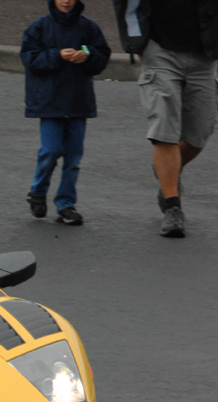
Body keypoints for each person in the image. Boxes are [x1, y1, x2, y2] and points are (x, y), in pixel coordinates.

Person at [112, 0, 218, 237]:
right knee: (164, 129)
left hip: (204, 55)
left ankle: (166, 169)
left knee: (199, 133)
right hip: (160, 52)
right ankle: (172, 207)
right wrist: (136, 42)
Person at [21, 0, 111, 226]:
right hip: (50, 102)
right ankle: (38, 191)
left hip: (78, 102)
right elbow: (30, 58)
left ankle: (66, 203)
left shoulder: (88, 27)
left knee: (73, 157)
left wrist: (86, 55)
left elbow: (101, 56)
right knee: (50, 151)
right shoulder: (39, 27)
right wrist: (57, 55)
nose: (66, 1)